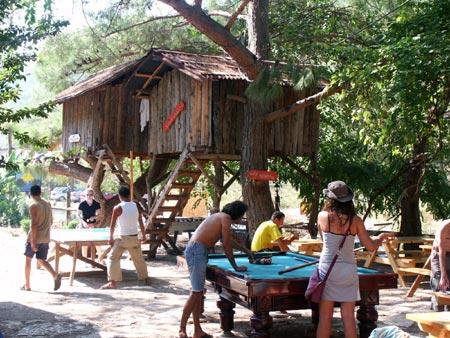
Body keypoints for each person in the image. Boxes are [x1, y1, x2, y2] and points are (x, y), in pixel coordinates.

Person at [317, 181, 393, 338]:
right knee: (348, 317)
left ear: (330, 199)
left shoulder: (322, 216)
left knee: (325, 318)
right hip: (348, 270)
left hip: (327, 269)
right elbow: (371, 247)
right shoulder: (356, 220)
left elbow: (325, 243)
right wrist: (379, 238)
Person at [179, 201, 249, 338]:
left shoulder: (220, 216)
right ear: (238, 213)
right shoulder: (226, 218)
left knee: (198, 292)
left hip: (197, 250)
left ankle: (197, 331)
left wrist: (246, 250)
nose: (241, 219)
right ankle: (182, 329)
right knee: (196, 292)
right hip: (197, 250)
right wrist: (235, 266)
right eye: (241, 216)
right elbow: (226, 244)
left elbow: (227, 240)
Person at [100, 186, 150, 289]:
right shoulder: (136, 205)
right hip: (134, 237)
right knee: (139, 259)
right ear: (129, 195)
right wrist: (144, 235)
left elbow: (112, 225)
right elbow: (140, 221)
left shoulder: (118, 207)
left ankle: (113, 283)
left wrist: (110, 238)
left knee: (112, 258)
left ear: (119, 196)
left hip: (122, 238)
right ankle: (144, 279)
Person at [23, 185, 61, 291]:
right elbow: (51, 221)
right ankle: (55, 275)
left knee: (28, 260)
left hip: (35, 237)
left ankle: (27, 285)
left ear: (30, 193)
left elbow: (34, 225)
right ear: (40, 193)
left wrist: (33, 242)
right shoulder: (47, 204)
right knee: (41, 259)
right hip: (46, 237)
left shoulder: (33, 205)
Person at [430, 219, 450, 311]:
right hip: (439, 255)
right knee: (440, 282)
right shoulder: (445, 226)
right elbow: (442, 252)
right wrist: (443, 275)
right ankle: (437, 308)